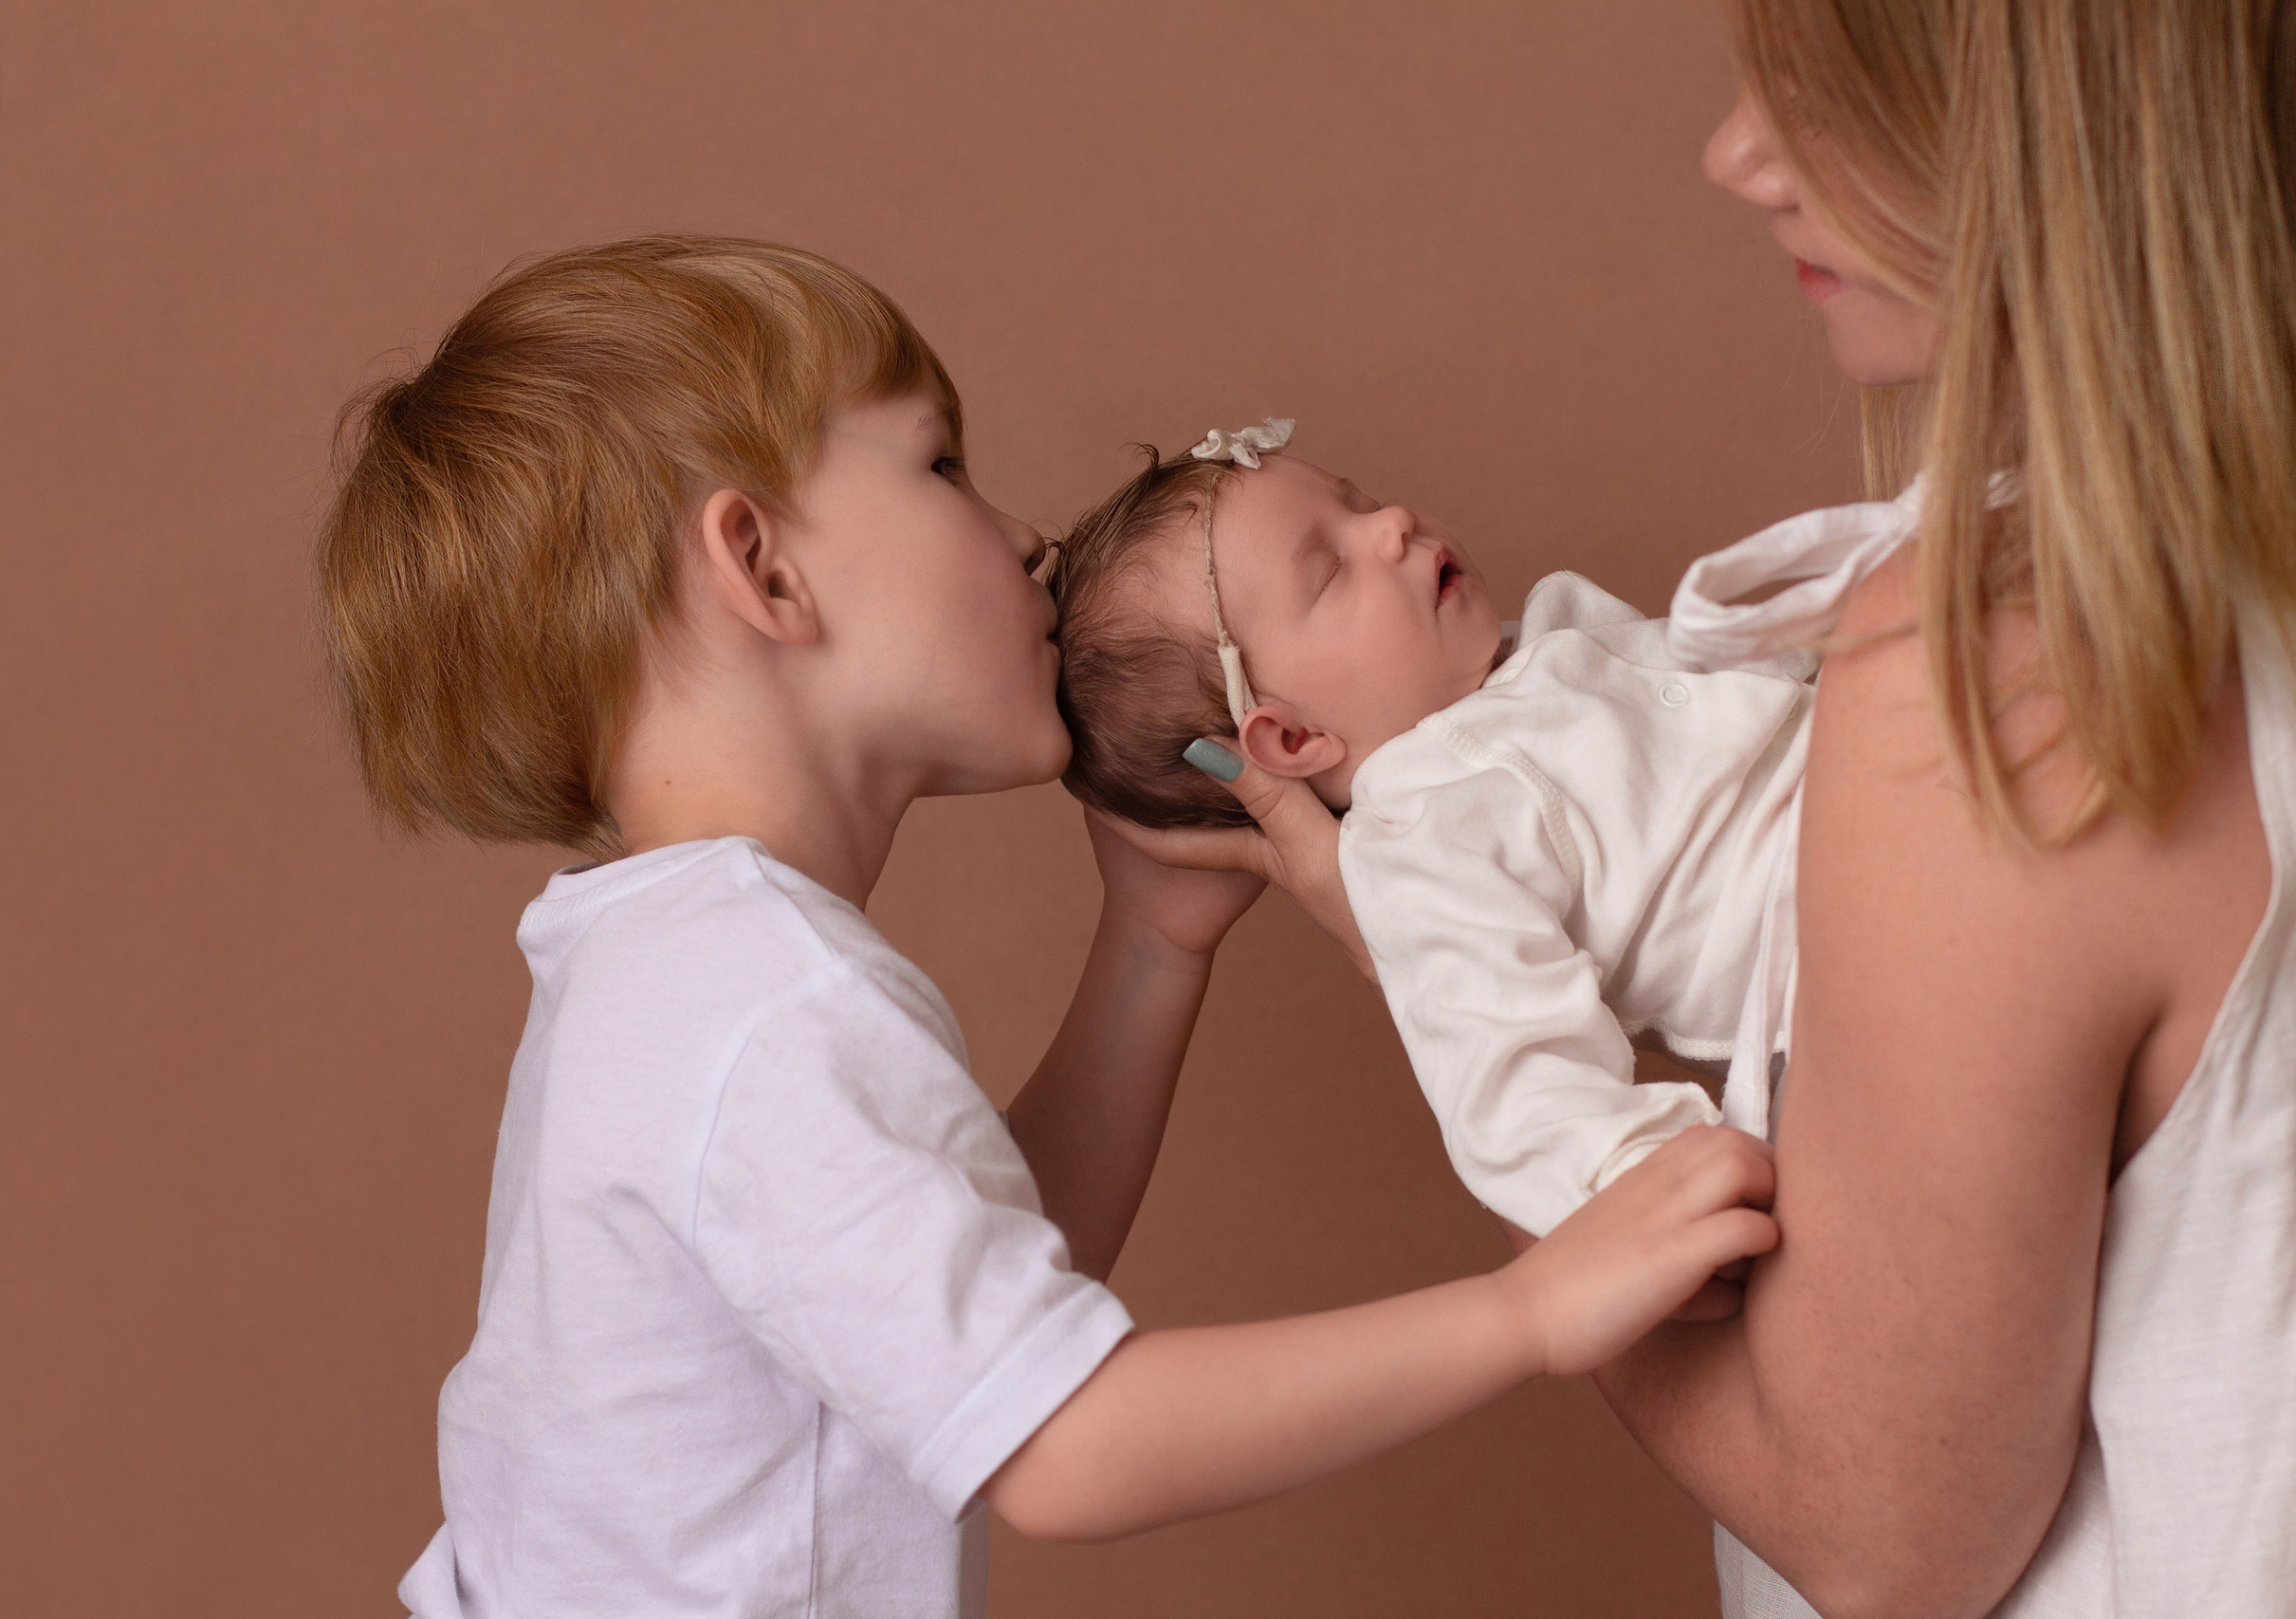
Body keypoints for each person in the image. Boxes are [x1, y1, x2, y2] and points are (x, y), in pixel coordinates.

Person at [1132, 3, 2296, 1613]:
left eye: (1830, 90)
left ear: (2056, 129)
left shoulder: (1989, 696)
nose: (1736, 151)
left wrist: (1417, 996)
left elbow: (1885, 1534)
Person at [316, 236, 1782, 1619]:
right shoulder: (764, 993)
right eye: (940, 463)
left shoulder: (662, 964)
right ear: (762, 567)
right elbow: (1063, 1441)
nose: (1025, 536)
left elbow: (958, 1301)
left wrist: (1150, 941)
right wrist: (1533, 1307)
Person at [1050, 418, 1914, 1241]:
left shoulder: (1544, 637)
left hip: (1899, 788)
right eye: (1329, 570)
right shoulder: (1422, 836)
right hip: (1853, 968)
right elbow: (1510, 1070)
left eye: (1358, 501)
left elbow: (1750, 690)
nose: (1390, 524)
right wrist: (1639, 1179)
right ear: (1291, 738)